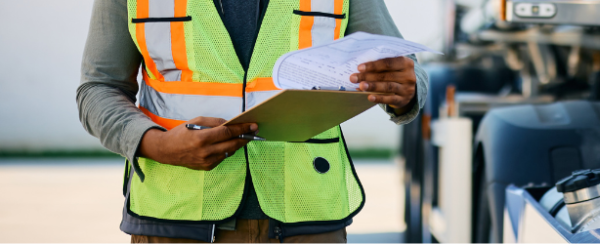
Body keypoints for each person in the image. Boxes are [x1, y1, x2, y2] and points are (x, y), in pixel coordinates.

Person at [76, 0, 427, 242]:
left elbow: (405, 69)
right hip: (175, 223)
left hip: (306, 222)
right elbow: (97, 89)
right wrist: (156, 144)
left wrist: (406, 90)